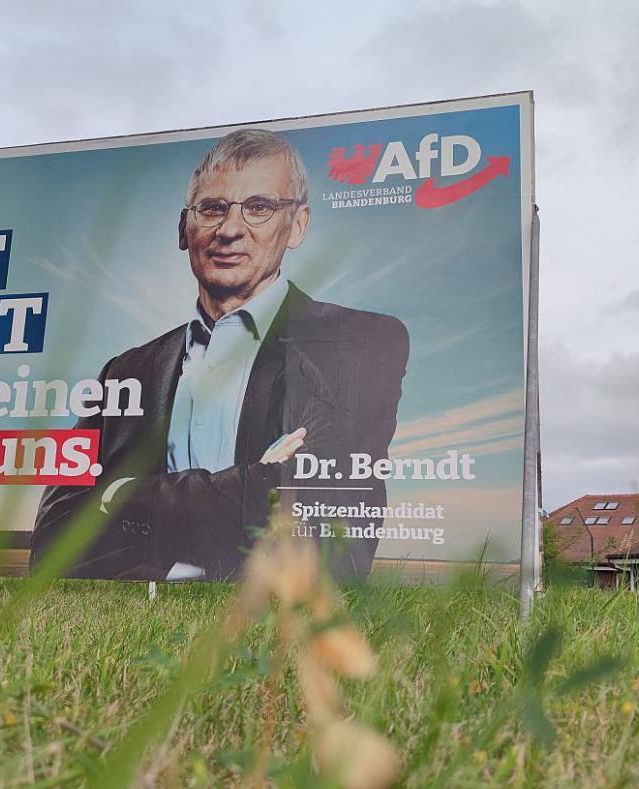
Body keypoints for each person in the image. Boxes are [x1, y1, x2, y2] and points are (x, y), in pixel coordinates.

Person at [31, 128, 409, 582]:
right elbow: (54, 541)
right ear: (183, 229)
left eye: (260, 208)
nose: (230, 230)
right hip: (135, 631)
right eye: (212, 209)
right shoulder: (124, 372)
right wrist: (252, 483)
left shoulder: (360, 342)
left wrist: (117, 496)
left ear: (298, 226)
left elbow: (320, 508)